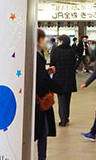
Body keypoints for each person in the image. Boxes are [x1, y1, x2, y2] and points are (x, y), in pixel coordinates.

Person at [36, 29, 59, 160]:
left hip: (39, 98)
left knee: (41, 131)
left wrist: (47, 72)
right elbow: (41, 79)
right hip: (40, 99)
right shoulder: (37, 56)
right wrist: (57, 87)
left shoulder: (38, 55)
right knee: (42, 131)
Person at [50, 35, 77, 126]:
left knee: (61, 100)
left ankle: (63, 119)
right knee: (67, 99)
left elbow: (52, 62)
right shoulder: (72, 50)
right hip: (69, 78)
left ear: (61, 41)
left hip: (59, 78)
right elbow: (74, 63)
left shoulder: (57, 50)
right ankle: (66, 117)